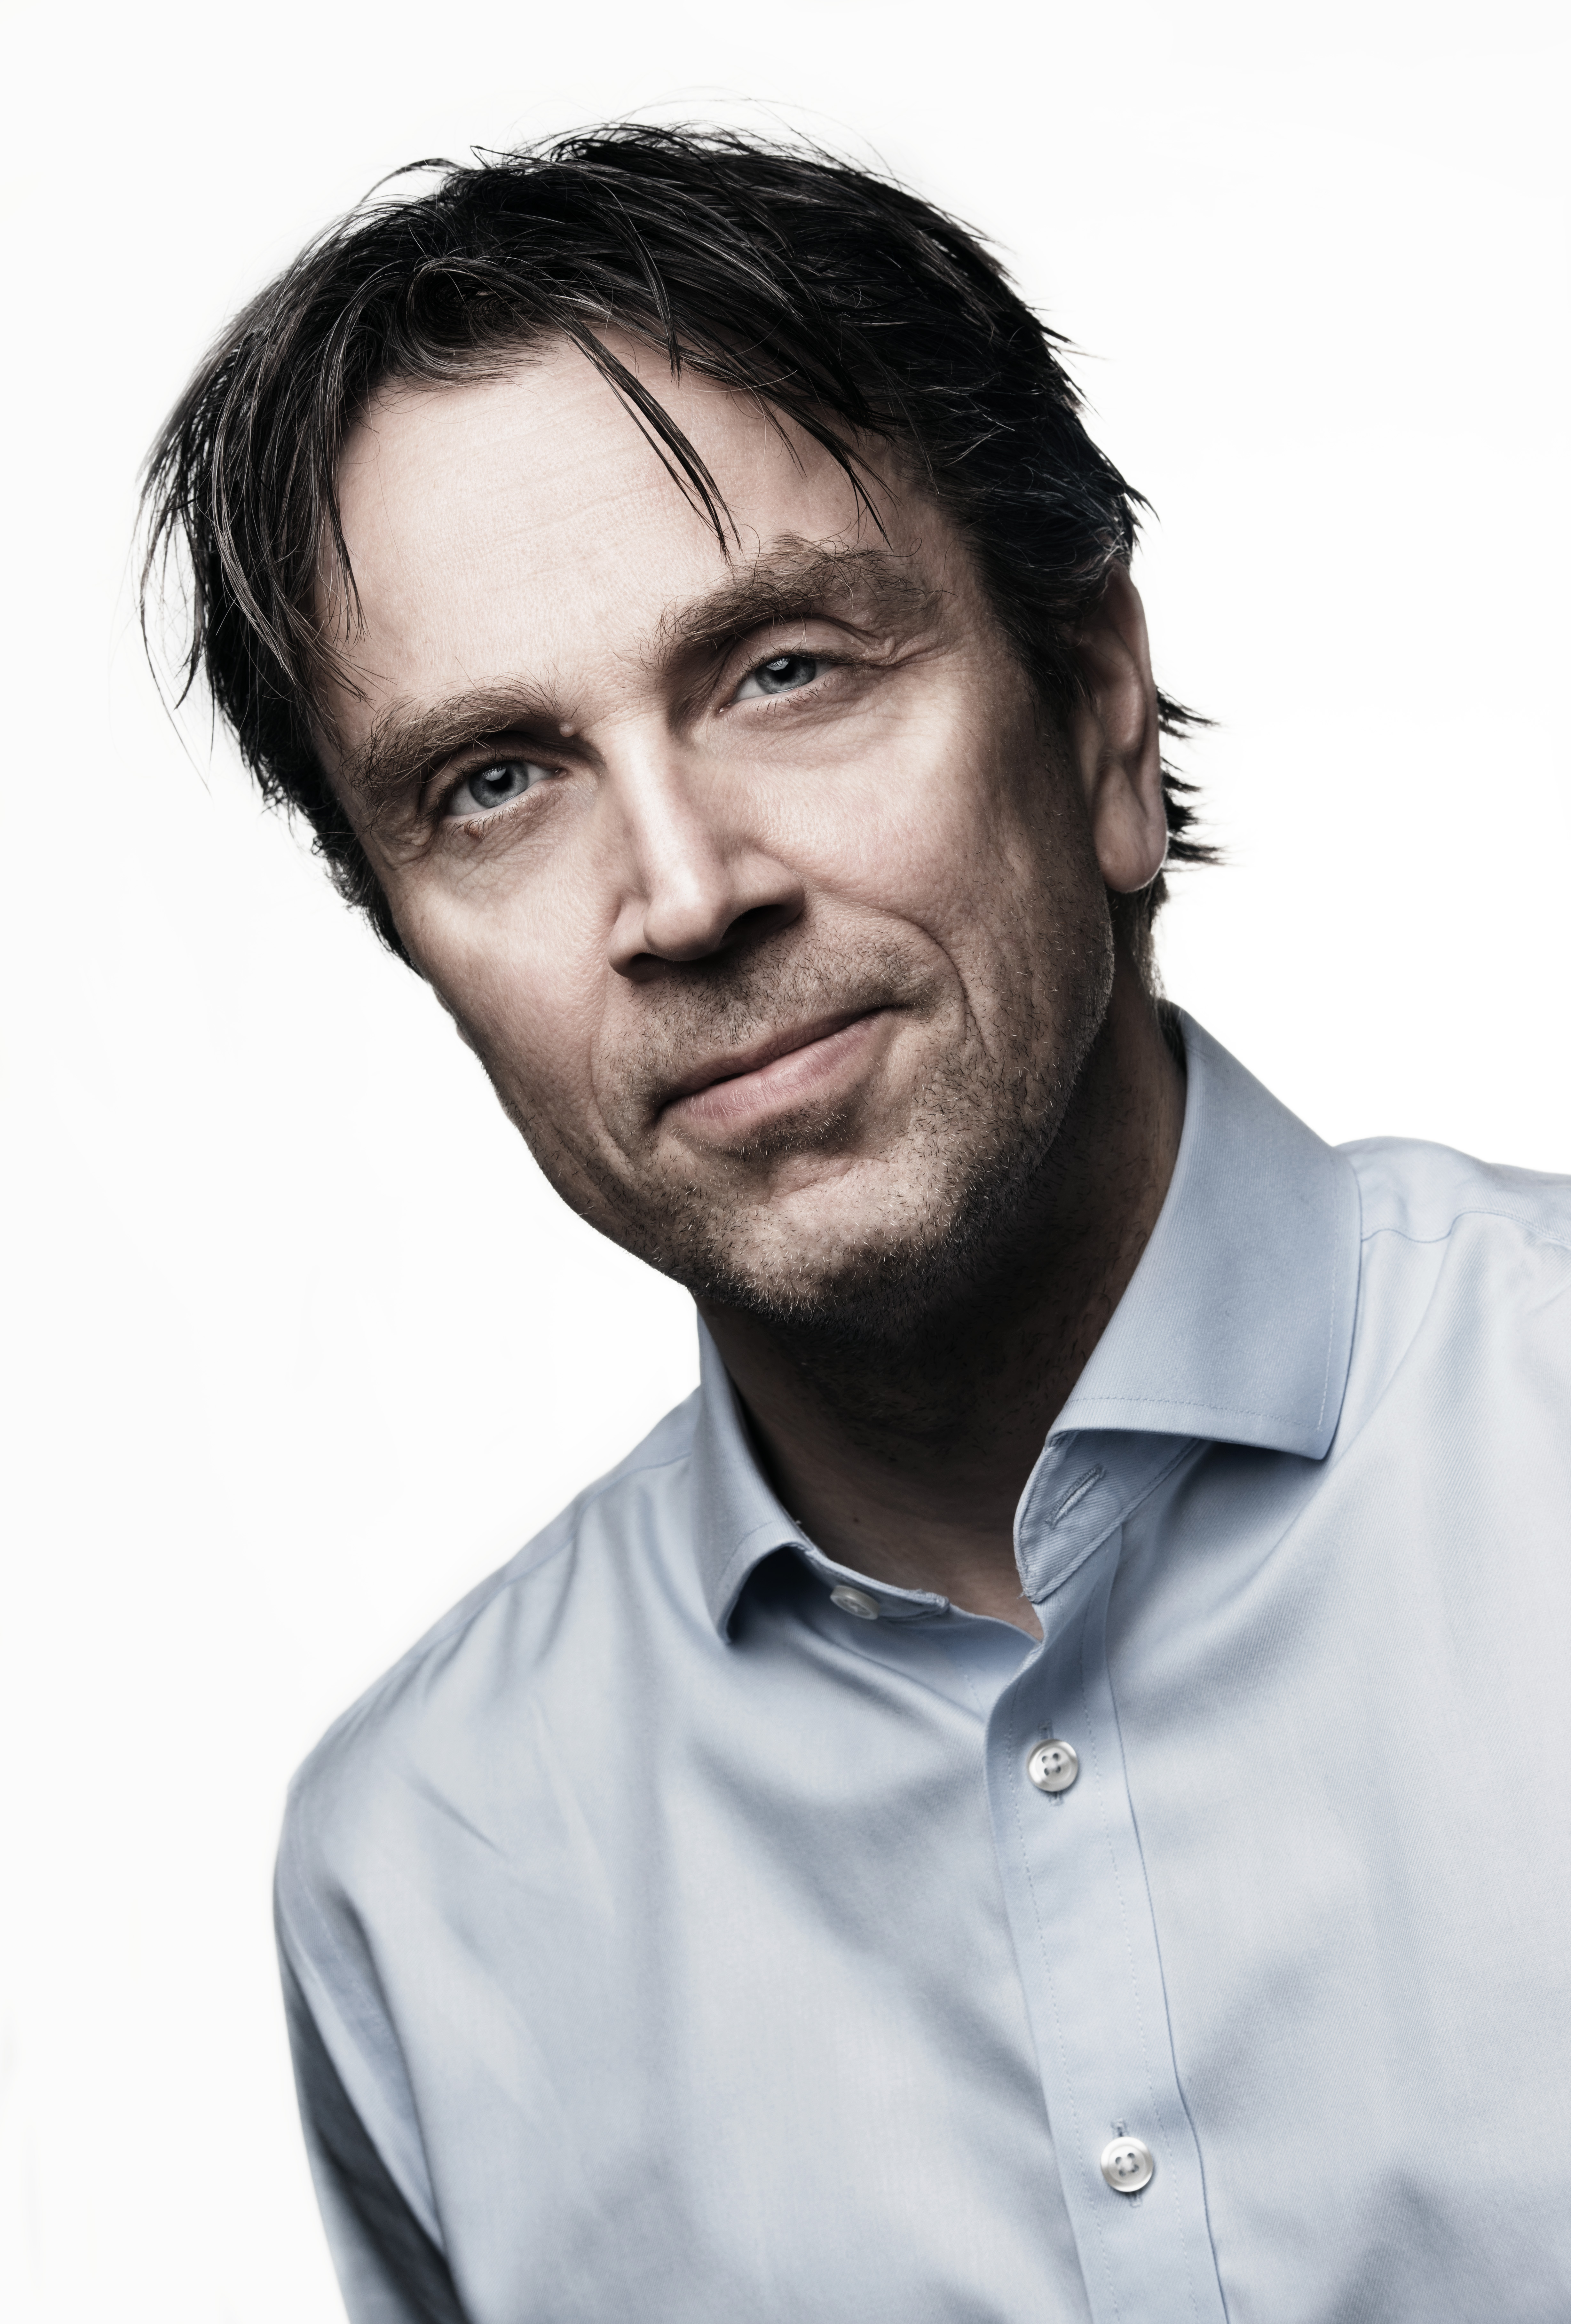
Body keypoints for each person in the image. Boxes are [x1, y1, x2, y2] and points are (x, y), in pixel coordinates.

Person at [143, 126, 1571, 2324]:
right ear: (413, 941)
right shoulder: (426, 1878)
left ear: (1095, 710)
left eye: (785, 669)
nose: (686, 891)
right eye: (495, 783)